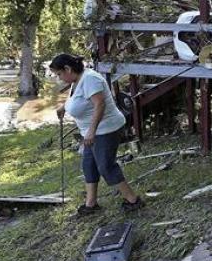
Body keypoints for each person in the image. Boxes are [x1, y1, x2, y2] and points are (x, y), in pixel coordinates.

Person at [50, 53, 144, 215]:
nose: (59, 78)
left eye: (59, 74)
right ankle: (91, 204)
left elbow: (99, 104)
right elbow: (77, 98)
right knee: (89, 165)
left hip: (105, 129)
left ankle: (133, 200)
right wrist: (63, 107)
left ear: (68, 68)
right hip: (91, 131)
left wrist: (92, 131)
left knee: (106, 166)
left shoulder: (90, 79)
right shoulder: (77, 80)